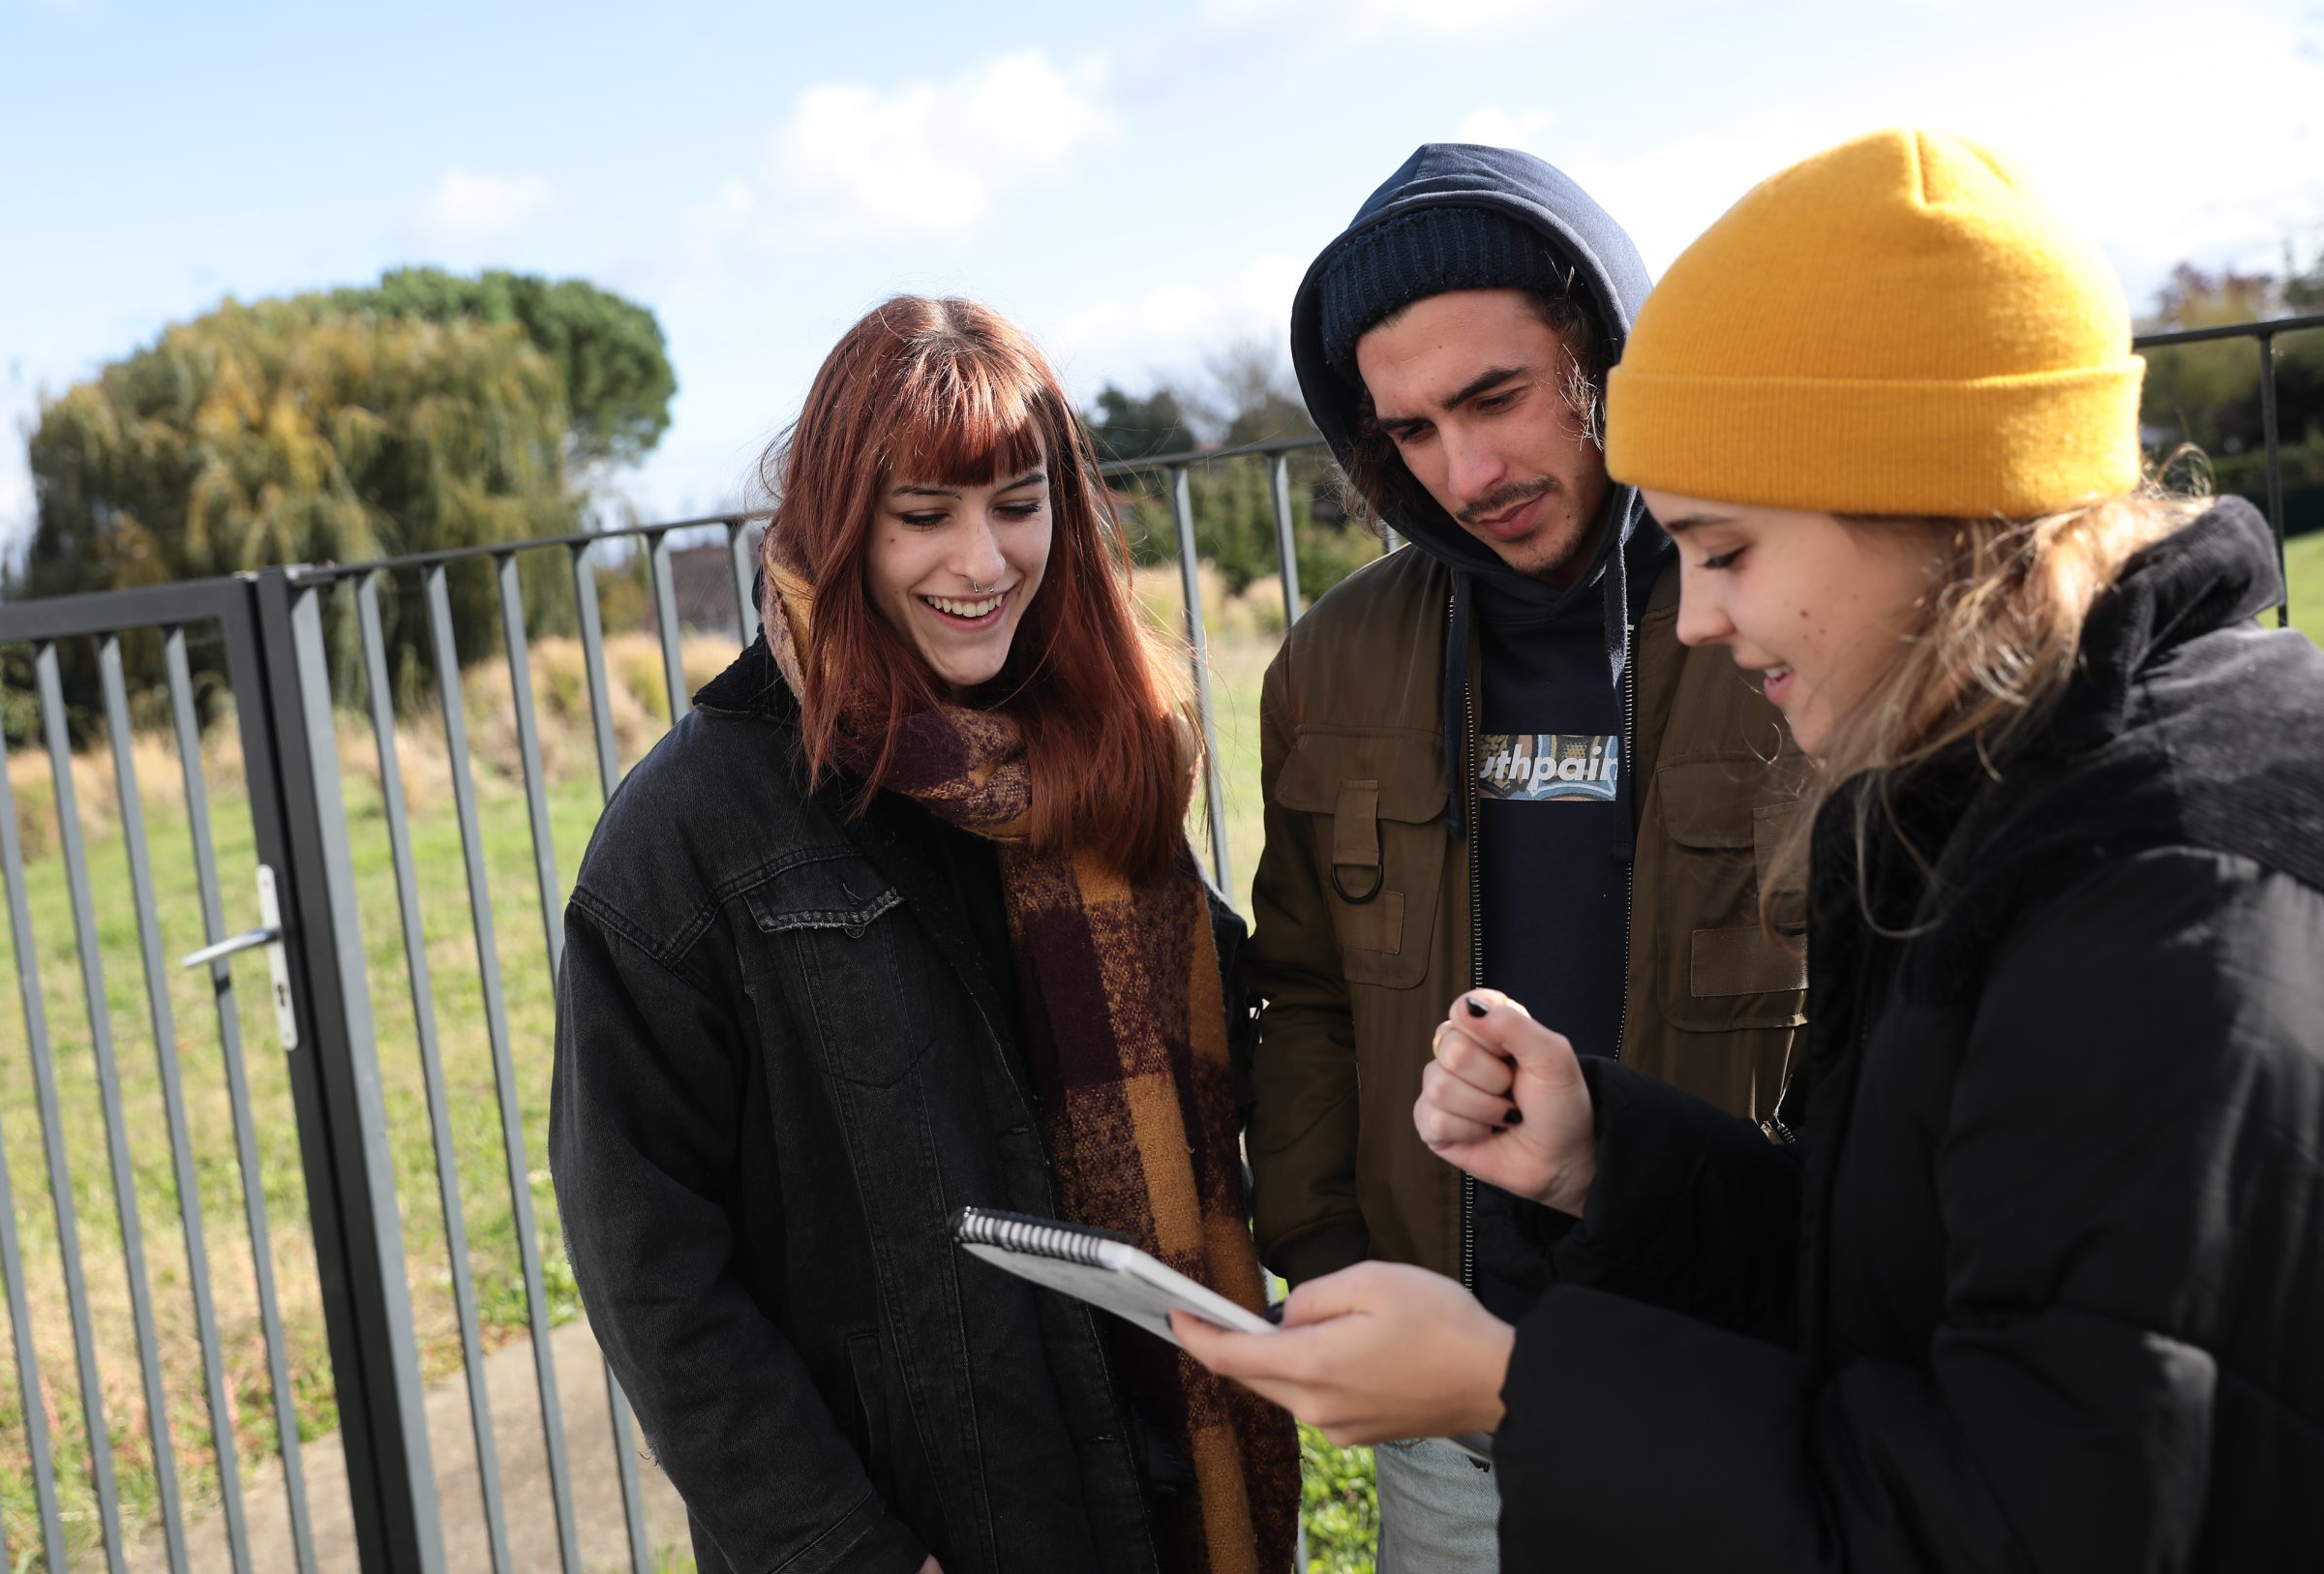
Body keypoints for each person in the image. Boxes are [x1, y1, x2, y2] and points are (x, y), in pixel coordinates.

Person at [1180, 128, 2324, 1569]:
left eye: (1725, 553)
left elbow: (2035, 1510)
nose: (1704, 620)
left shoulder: (2162, 885)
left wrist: (1521, 1384)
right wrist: (1619, 1158)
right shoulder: (1997, 783)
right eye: (1409, 431)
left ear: (1924, 492)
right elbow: (1897, 1270)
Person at [551, 295, 1297, 1574]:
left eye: (1017, 504)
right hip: (931, 1530)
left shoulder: (1099, 758)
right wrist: (846, 1553)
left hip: (1177, 1490)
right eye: (923, 516)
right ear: (841, 523)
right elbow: (650, 1271)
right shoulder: (690, 832)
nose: (982, 561)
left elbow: (1244, 1043)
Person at [1248, 142, 1807, 1562]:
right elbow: (1308, 992)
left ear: (1604, 356)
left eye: (1495, 397)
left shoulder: (1783, 606)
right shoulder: (1334, 662)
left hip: (1744, 1377)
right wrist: (1330, 1256)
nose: (1468, 471)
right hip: (1453, 1416)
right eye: (1415, 431)